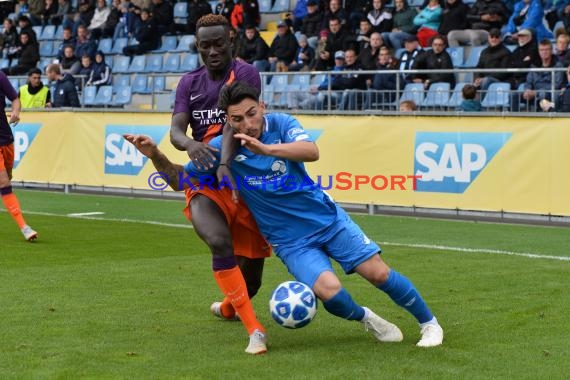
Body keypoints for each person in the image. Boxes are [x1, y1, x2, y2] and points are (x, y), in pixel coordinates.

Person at [125, 80, 445, 348]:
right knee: (329, 292)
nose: (248, 123)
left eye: (252, 113)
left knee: (377, 273)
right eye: (238, 119)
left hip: (327, 220)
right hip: (291, 242)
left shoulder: (282, 124)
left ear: (262, 106)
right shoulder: (224, 150)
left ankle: (429, 324)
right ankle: (366, 318)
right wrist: (155, 154)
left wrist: (266, 149)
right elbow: (180, 180)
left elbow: (312, 151)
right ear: (228, 120)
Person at [168, 14, 269, 355]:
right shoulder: (189, 83)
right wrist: (190, 145)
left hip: (242, 177)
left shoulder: (245, 74)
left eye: (218, 43)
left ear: (231, 41)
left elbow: (235, 124)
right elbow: (176, 131)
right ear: (197, 46)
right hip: (204, 180)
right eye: (204, 45)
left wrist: (224, 161)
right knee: (219, 241)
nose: (212, 51)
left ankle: (228, 307)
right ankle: (255, 330)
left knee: (252, 278)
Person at [0, 70, 38, 241]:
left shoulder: (0, 76)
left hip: (5, 137)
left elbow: (15, 99)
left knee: (8, 177)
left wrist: (16, 112)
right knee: (4, 182)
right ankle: (25, 227)